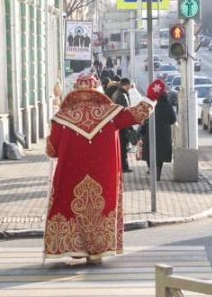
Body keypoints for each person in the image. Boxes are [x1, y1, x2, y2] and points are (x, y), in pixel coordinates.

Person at [43, 73, 155, 263]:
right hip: (103, 176)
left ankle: (76, 249)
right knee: (99, 207)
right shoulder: (110, 113)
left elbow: (51, 150)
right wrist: (151, 97)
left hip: (72, 175)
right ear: (97, 90)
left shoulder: (62, 118)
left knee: (72, 207)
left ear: (76, 90)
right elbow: (137, 114)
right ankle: (97, 251)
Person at [139, 79, 177, 181]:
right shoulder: (167, 106)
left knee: (149, 153)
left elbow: (142, 117)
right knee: (160, 155)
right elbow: (173, 120)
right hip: (163, 134)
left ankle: (152, 171)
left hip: (149, 132)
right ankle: (158, 173)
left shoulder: (149, 105)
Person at [111, 78, 134, 173]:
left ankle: (122, 166)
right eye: (129, 86)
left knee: (122, 146)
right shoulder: (121, 95)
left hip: (119, 125)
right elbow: (125, 111)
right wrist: (129, 125)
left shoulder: (117, 93)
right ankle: (123, 167)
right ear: (126, 85)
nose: (129, 88)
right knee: (123, 147)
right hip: (122, 125)